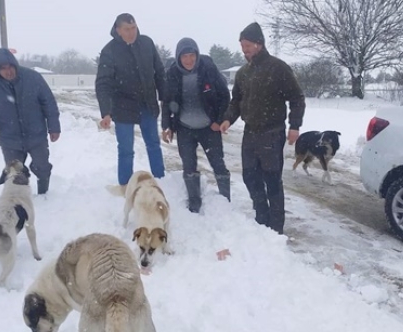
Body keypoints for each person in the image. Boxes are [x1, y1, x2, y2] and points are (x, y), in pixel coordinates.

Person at [220, 22, 306, 234]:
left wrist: (294, 126)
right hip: (250, 133)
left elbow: (297, 98)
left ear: (259, 44)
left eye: (247, 45)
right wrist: (228, 119)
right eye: (242, 45)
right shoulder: (242, 73)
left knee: (272, 180)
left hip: (272, 132)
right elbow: (236, 101)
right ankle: (261, 217)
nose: (244, 49)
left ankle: (276, 228)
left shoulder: (278, 68)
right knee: (250, 177)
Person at [0, 48, 61, 195]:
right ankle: (19, 199)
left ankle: (43, 194)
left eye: (10, 66)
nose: (8, 71)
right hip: (9, 137)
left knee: (42, 167)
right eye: (3, 68)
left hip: (36, 134)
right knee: (14, 173)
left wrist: (54, 127)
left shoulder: (33, 78)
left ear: (15, 64)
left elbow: (48, 102)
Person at [95, 13, 167, 187]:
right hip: (123, 106)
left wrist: (165, 98)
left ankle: (161, 181)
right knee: (126, 150)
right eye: (127, 29)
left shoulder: (146, 43)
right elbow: (103, 83)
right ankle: (125, 186)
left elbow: (159, 72)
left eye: (133, 28)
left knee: (153, 144)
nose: (131, 32)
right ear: (118, 30)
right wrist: (106, 112)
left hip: (147, 103)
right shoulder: (109, 51)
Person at [161, 37, 231, 213]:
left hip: (209, 127)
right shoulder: (172, 74)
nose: (188, 60)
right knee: (189, 165)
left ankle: (225, 201)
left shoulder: (208, 69)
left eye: (192, 55)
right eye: (184, 56)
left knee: (218, 163)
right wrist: (166, 126)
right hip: (184, 127)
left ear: (197, 55)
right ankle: (194, 202)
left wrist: (218, 120)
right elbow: (167, 101)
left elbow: (224, 96)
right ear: (178, 58)